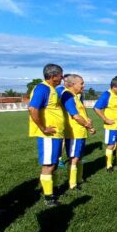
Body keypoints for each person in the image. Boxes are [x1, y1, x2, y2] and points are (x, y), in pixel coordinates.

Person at [28, 64, 66, 206]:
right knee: (48, 165)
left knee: (54, 164)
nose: (62, 77)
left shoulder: (51, 89)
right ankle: (49, 197)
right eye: (60, 75)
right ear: (52, 76)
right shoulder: (42, 88)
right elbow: (32, 108)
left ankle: (52, 190)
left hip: (55, 134)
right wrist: (43, 128)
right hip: (48, 136)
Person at [61, 74, 96, 189]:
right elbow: (75, 116)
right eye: (81, 83)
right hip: (73, 133)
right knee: (74, 158)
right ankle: (72, 184)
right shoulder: (67, 95)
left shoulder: (76, 96)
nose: (83, 85)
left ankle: (79, 179)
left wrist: (88, 123)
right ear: (72, 84)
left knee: (79, 156)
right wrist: (87, 125)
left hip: (80, 132)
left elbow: (81, 114)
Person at [94, 77, 117, 172]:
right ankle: (109, 165)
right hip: (111, 127)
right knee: (111, 146)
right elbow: (97, 108)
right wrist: (105, 119)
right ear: (114, 87)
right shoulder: (107, 95)